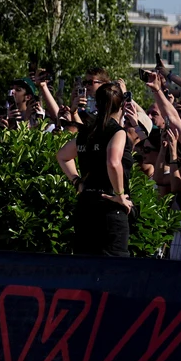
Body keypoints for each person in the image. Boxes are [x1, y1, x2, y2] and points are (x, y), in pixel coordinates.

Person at [57, 82, 135, 257]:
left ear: (97, 104)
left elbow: (62, 156)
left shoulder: (87, 132)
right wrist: (120, 194)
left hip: (86, 207)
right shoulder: (117, 132)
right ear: (122, 105)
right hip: (110, 209)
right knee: (114, 268)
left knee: (85, 266)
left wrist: (77, 181)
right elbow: (113, 162)